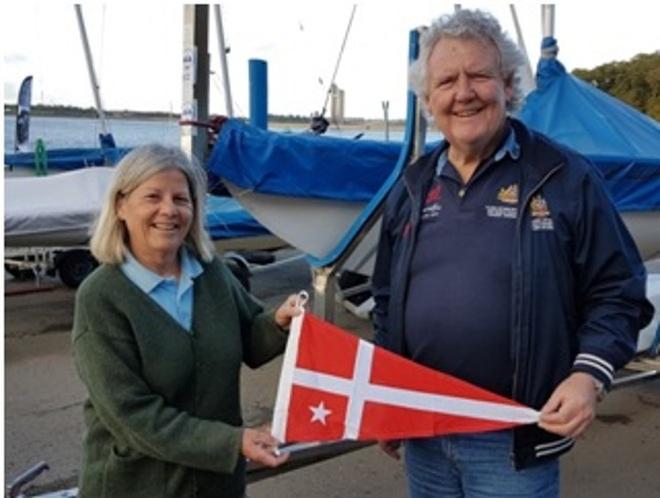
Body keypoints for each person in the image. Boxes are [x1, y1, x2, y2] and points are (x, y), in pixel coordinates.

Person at [371, 9, 653, 498]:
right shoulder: (412, 186)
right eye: (446, 81)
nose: (464, 92)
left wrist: (589, 376)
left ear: (507, 84)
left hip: (513, 440)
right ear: (428, 100)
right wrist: (386, 400)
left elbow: (619, 293)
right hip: (425, 433)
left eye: (479, 75)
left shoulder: (564, 177)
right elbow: (385, 298)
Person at [73, 144, 299, 497]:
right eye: (153, 196)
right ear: (120, 206)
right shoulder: (100, 297)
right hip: (137, 486)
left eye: (181, 199)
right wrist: (232, 442)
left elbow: (250, 338)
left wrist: (280, 322)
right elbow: (132, 415)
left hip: (216, 486)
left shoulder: (212, 274)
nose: (169, 210)